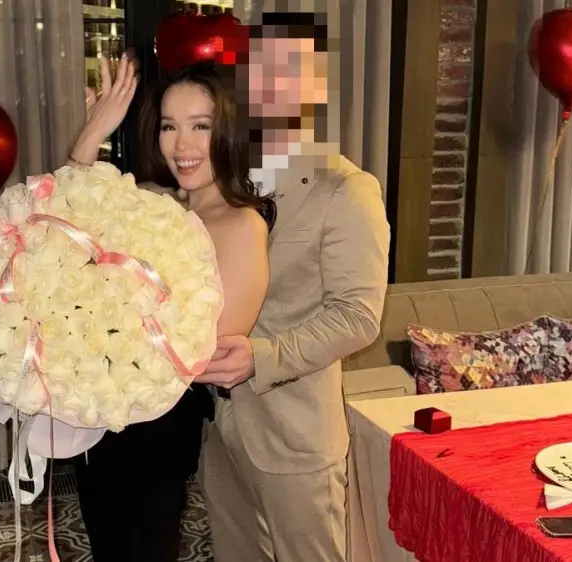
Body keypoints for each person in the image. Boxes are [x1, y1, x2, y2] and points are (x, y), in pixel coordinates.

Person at [194, 11, 391, 562]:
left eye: (289, 72)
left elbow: (357, 316)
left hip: (294, 434)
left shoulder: (346, 188)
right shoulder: (220, 176)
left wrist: (262, 357)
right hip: (220, 425)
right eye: (259, 70)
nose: (270, 86)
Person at [66, 55, 273, 561]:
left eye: (200, 126)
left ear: (227, 131)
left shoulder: (241, 224)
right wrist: (93, 132)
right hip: (97, 415)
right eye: (169, 126)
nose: (182, 145)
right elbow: (63, 219)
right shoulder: (151, 197)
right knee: (106, 543)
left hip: (157, 426)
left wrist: (100, 314)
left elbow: (208, 348)